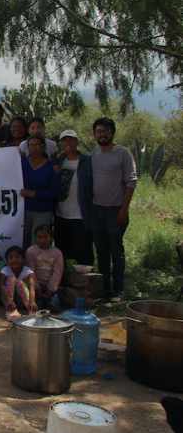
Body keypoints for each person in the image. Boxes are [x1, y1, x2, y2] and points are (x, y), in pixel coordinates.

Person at [90, 117, 137, 301]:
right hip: (97, 210)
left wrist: (124, 210)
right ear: (94, 134)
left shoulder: (122, 153)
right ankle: (105, 290)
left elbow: (131, 182)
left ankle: (118, 291)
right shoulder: (93, 154)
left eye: (105, 131)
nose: (102, 134)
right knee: (101, 252)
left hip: (116, 210)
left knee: (116, 251)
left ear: (112, 132)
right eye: (99, 131)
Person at [54, 129, 94, 265]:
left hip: (81, 216)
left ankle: (86, 284)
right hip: (60, 215)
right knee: (63, 253)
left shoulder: (88, 161)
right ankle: (66, 284)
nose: (68, 142)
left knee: (83, 253)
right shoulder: (58, 161)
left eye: (71, 139)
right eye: (64, 140)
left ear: (77, 141)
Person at [21, 135, 59, 248]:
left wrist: (34, 194)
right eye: (31, 145)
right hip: (22, 211)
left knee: (37, 244)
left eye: (38, 144)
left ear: (43, 147)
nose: (35, 147)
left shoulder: (52, 167)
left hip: (43, 212)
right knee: (22, 242)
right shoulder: (21, 164)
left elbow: (54, 193)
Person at [26, 224, 64, 310]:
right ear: (35, 238)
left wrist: (50, 289)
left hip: (51, 287)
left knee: (55, 306)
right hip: (35, 286)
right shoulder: (31, 251)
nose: (42, 240)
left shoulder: (57, 253)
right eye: (39, 237)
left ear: (51, 238)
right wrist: (37, 288)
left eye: (46, 237)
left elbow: (57, 273)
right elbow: (31, 271)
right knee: (36, 305)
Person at [0, 246, 37, 321]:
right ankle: (11, 310)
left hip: (23, 299)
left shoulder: (28, 271)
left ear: (23, 259)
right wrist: (9, 300)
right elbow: (1, 285)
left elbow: (32, 287)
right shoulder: (5, 270)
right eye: (11, 258)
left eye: (17, 257)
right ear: (7, 261)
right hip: (8, 298)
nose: (14, 260)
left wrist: (32, 301)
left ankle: (30, 309)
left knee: (20, 283)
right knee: (11, 279)